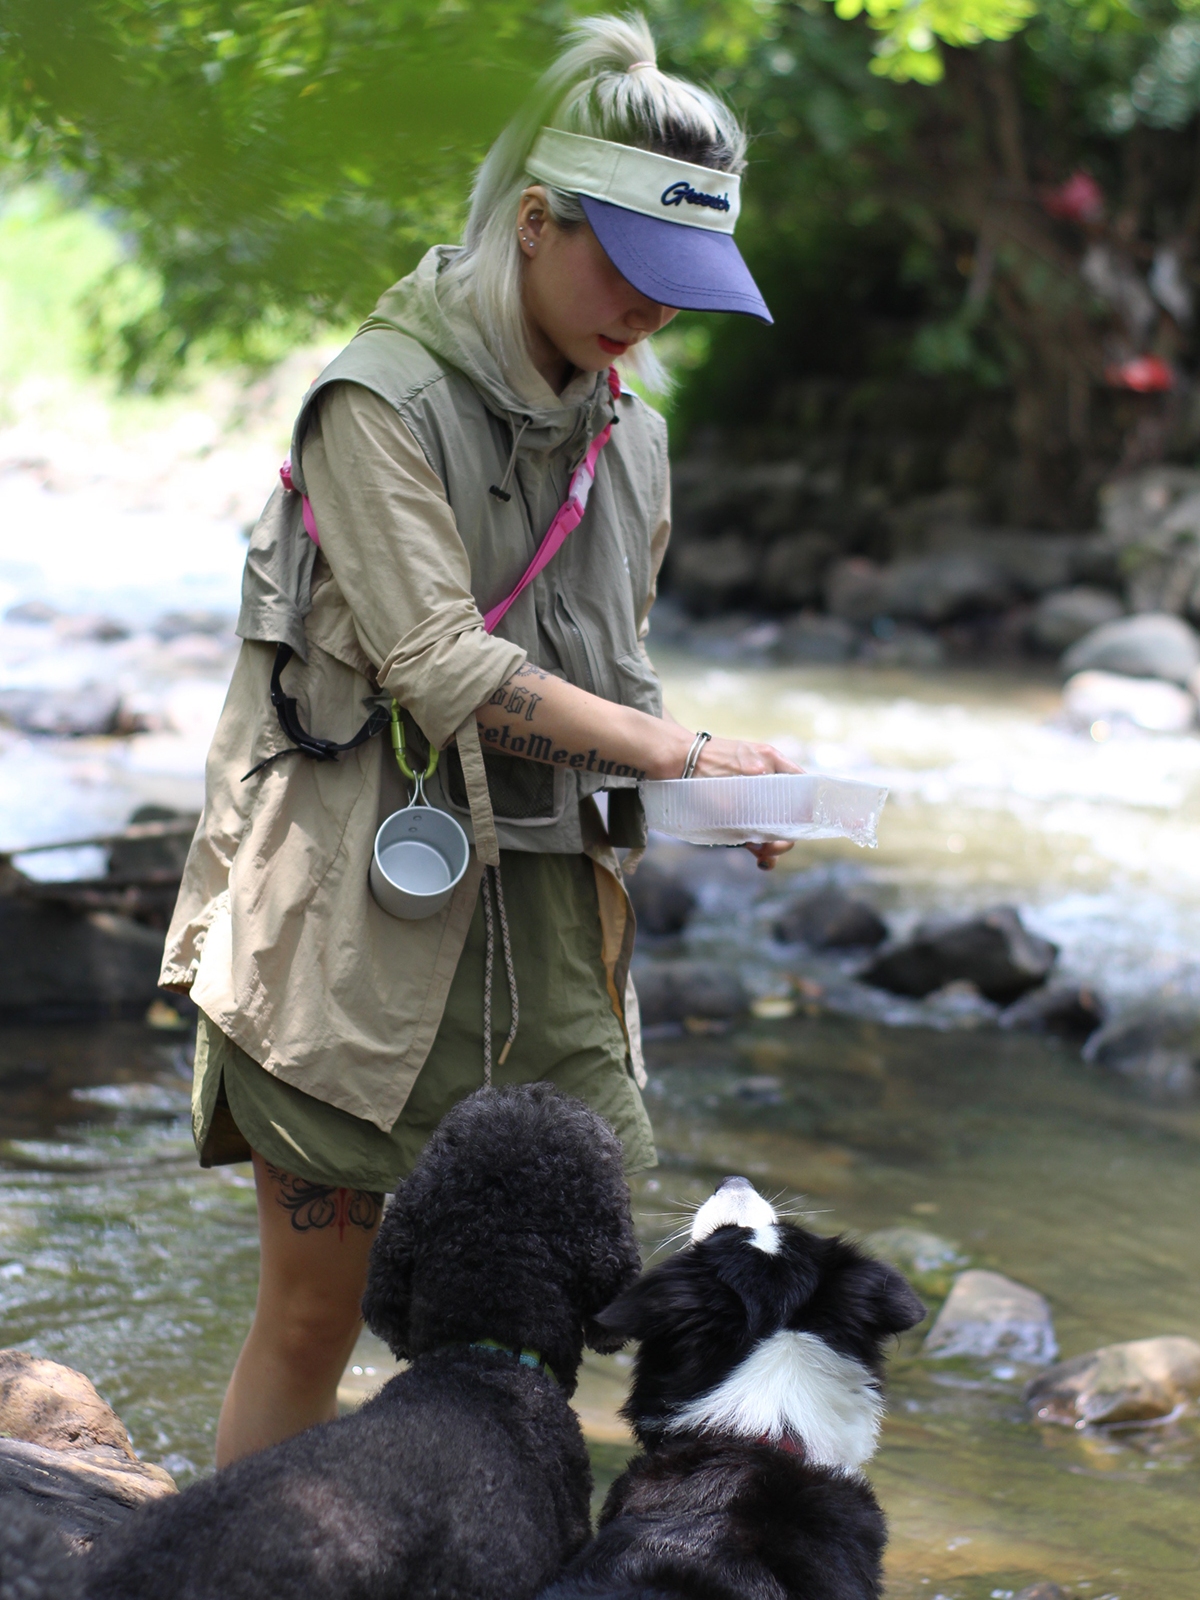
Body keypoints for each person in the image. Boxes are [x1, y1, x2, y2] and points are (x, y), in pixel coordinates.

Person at [160, 10, 800, 1469]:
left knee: (545, 1324)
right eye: (632, 271)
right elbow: (443, 669)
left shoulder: (630, 436)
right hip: (344, 924)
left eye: (684, 288)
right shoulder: (374, 404)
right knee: (315, 1319)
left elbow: (615, 692)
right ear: (534, 222)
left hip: (551, 920)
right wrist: (683, 752)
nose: (655, 313)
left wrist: (723, 791)